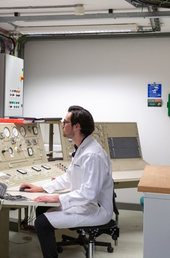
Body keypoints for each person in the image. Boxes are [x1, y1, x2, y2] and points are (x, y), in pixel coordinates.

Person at [19, 105, 113, 258]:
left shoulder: (92, 155)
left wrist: (56, 198)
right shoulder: (83, 149)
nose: (62, 125)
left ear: (77, 126)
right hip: (85, 203)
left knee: (41, 224)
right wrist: (42, 188)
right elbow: (68, 177)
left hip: (95, 210)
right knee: (41, 209)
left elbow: (89, 193)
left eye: (65, 122)